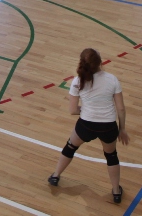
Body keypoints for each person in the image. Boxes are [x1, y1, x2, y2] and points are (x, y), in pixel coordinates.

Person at [48, 48, 129, 204]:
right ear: (100, 62)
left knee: (70, 147)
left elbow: (72, 110)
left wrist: (87, 111)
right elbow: (121, 108)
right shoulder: (112, 79)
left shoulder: (77, 81)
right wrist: (122, 129)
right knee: (111, 156)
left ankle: (55, 176)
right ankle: (116, 191)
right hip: (108, 126)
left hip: (86, 125)